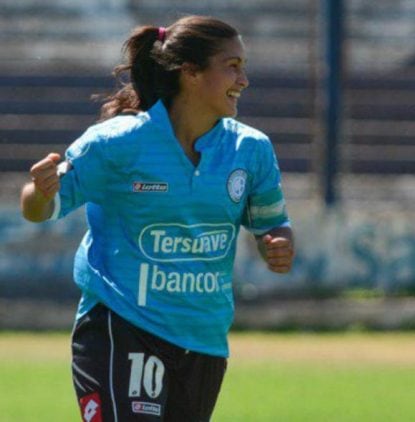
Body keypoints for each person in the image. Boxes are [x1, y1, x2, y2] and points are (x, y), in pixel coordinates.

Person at [20, 16, 294, 421]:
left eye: (244, 66)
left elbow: (272, 225)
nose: (245, 79)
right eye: (232, 66)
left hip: (203, 340)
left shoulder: (250, 150)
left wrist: (278, 244)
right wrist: (41, 191)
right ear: (191, 72)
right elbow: (37, 209)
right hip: (123, 326)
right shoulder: (119, 143)